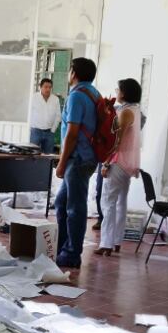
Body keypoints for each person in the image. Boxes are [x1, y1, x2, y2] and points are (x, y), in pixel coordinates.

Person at [54, 57, 101, 270]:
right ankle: (63, 247)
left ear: (74, 73)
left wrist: (61, 163)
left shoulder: (76, 96)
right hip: (87, 157)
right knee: (62, 203)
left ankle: (72, 254)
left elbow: (72, 134)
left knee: (75, 208)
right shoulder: (93, 93)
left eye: (70, 69)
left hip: (78, 159)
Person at [96, 78, 142, 256]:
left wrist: (107, 162)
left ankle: (106, 243)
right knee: (121, 202)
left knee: (108, 202)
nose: (116, 92)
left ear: (124, 93)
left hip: (119, 161)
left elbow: (118, 140)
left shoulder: (125, 112)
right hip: (130, 162)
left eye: (118, 89)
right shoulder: (135, 110)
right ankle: (116, 241)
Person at [29, 78, 60, 154]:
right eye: (46, 87)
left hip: (49, 132)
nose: (48, 89)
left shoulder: (55, 99)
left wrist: (53, 130)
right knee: (33, 155)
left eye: (50, 87)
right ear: (40, 87)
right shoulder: (34, 97)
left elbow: (58, 115)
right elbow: (29, 114)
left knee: (48, 157)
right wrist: (30, 127)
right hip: (35, 132)